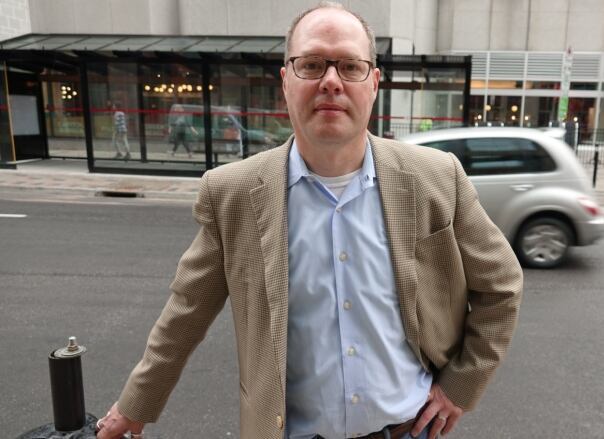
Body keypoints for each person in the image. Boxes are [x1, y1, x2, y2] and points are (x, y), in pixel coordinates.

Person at [96, 3, 523, 439]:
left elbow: (501, 285)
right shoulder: (234, 194)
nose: (331, 82)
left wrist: (459, 386)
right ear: (286, 80)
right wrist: (133, 408)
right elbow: (185, 314)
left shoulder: (437, 178)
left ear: (373, 83)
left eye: (350, 66)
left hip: (408, 430)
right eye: (312, 65)